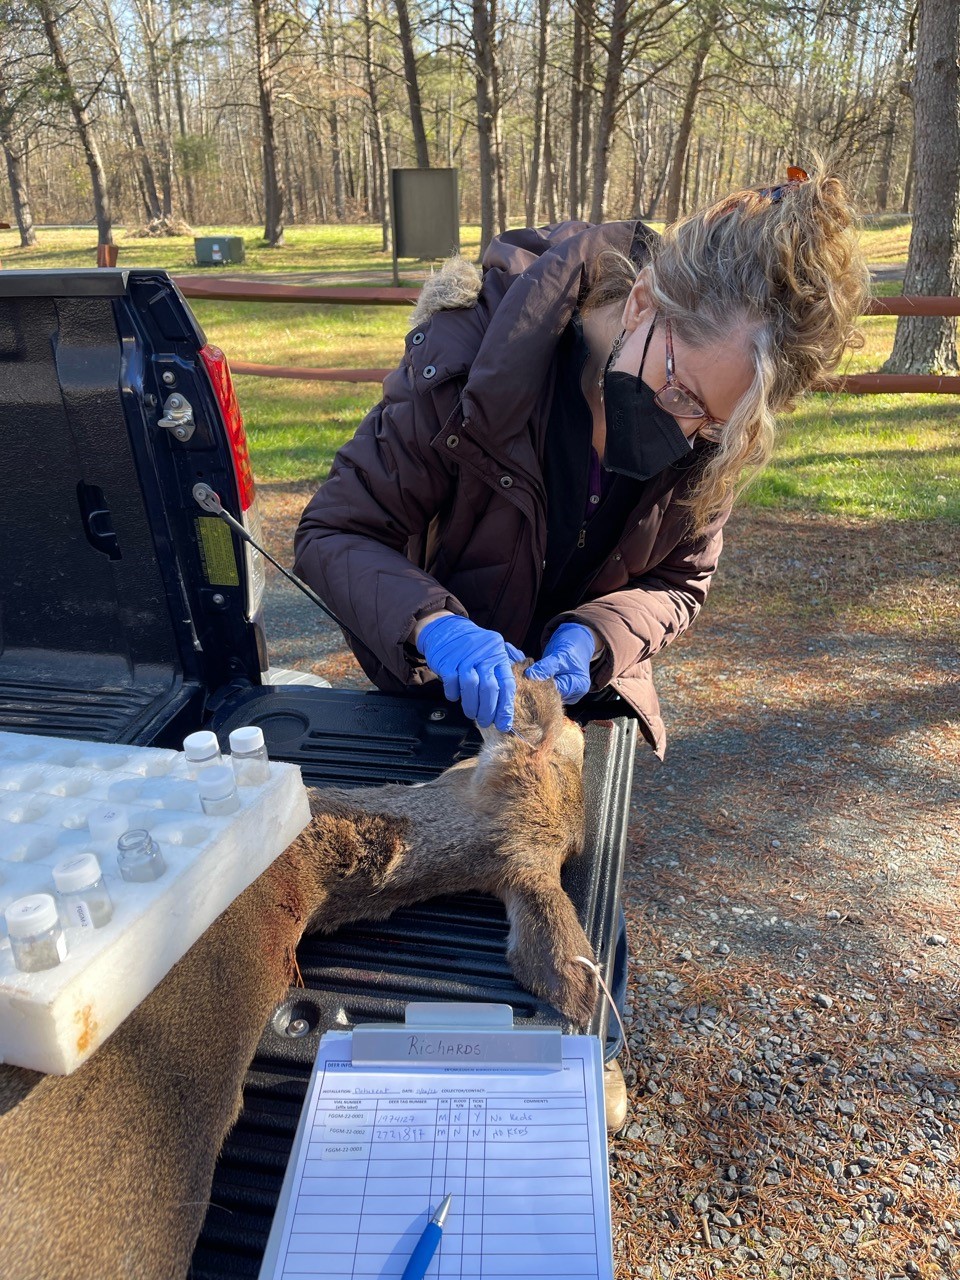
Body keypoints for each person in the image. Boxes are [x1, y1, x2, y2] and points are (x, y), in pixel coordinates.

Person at [294, 166, 869, 755]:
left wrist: (596, 638)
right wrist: (435, 628)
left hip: (566, 726)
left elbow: (680, 582)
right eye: (680, 395)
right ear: (642, 303)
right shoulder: (467, 364)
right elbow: (334, 532)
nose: (686, 433)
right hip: (431, 705)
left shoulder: (718, 428)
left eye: (714, 425)